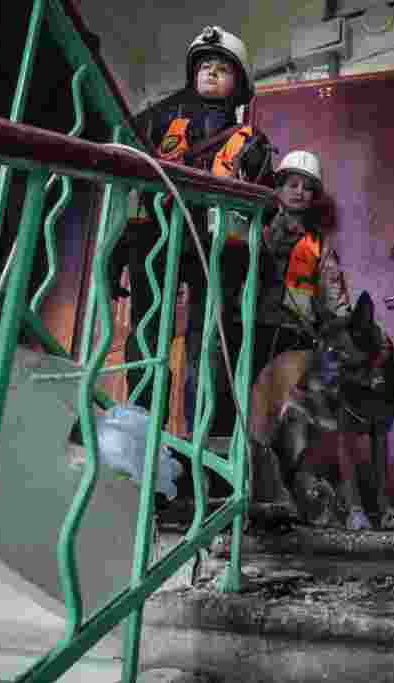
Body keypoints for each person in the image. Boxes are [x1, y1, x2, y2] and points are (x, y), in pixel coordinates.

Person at [109, 26, 275, 446]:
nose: (211, 73)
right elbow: (132, 190)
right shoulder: (159, 123)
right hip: (155, 243)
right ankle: (141, 438)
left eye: (222, 68)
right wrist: (115, 253)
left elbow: (266, 209)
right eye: (204, 66)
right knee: (147, 337)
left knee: (208, 350)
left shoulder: (251, 141)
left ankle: (203, 445)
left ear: (239, 84)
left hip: (218, 256)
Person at [253, 150, 352, 415]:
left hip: (295, 333)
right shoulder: (254, 226)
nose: (299, 192)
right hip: (251, 328)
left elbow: (335, 295)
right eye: (293, 184)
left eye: (307, 188)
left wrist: (348, 329)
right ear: (280, 187)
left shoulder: (318, 244)